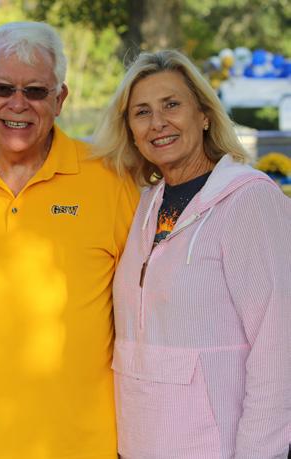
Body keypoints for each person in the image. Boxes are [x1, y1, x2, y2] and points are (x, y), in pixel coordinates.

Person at [0, 22, 138, 458]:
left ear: (60, 99)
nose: (18, 104)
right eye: (2, 88)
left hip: (85, 446)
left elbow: (143, 306)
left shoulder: (111, 180)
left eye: (35, 91)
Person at [94, 49, 291, 458]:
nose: (158, 122)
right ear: (130, 130)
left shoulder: (249, 200)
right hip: (140, 444)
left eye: (171, 105)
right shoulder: (142, 206)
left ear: (203, 115)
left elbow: (278, 344)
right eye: (142, 112)